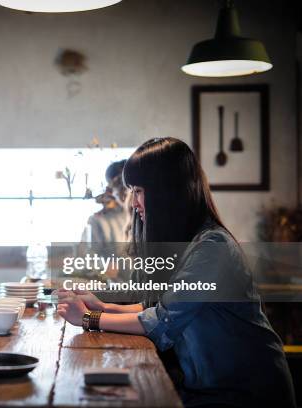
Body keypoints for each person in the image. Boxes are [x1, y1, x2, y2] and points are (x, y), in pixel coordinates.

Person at [57, 138, 295, 407]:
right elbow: (155, 306)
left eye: (139, 191)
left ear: (166, 192)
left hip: (246, 393)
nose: (134, 203)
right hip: (204, 387)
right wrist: (103, 306)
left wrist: (91, 317)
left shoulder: (212, 247)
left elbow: (163, 322)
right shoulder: (185, 242)